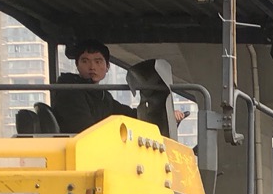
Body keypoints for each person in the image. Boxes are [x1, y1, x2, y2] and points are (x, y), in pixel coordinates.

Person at [53, 40, 188, 134]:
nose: (92, 67)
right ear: (77, 65)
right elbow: (84, 129)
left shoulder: (102, 96)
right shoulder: (70, 92)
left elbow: (129, 115)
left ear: (107, 67)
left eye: (98, 61)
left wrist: (165, 115)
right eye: (85, 61)